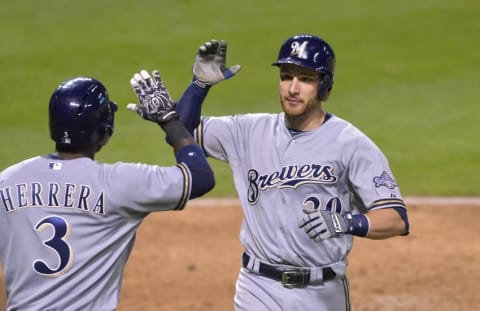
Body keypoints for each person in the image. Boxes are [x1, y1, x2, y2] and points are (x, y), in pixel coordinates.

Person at [173, 34, 410, 310]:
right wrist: (199, 86)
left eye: (306, 79)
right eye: (286, 77)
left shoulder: (351, 144)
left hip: (323, 294)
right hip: (257, 289)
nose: (293, 88)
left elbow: (396, 218)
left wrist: (345, 222)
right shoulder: (248, 132)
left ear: (325, 87)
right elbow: (181, 133)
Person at [0, 71, 215, 310]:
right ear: (105, 133)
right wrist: (169, 120)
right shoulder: (119, 184)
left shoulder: (7, 182)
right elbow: (200, 177)